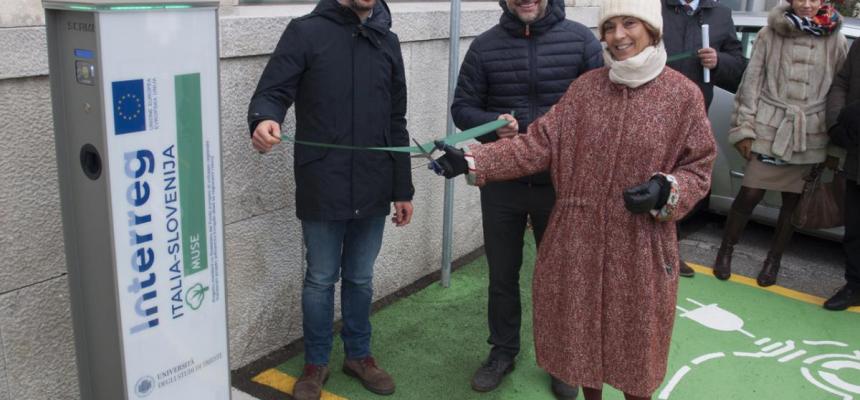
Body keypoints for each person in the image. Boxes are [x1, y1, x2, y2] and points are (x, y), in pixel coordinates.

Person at [433, 0, 716, 398]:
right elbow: (537, 144)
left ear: (652, 29)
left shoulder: (681, 95)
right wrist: (471, 158)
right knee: (582, 346)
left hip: (640, 245)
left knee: (637, 351)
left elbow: (699, 166)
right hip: (579, 239)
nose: (618, 36)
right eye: (610, 26)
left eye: (629, 23)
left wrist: (665, 189)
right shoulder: (587, 89)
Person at [247, 0, 413, 399]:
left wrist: (401, 188)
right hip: (323, 179)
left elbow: (397, 121)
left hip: (374, 183)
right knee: (320, 279)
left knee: (360, 277)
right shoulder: (305, 32)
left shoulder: (386, 40)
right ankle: (315, 362)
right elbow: (273, 91)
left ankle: (359, 355)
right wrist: (264, 119)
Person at [450, 0, 602, 396]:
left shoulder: (582, 40)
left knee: (562, 278)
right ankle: (502, 351)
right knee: (502, 274)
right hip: (503, 183)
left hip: (562, 186)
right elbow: (462, 109)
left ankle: (561, 360)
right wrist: (492, 125)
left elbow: (602, 106)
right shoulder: (484, 46)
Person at [713, 0, 846, 286]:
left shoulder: (836, 38)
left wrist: (833, 144)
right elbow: (752, 82)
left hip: (810, 132)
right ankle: (725, 251)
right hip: (769, 126)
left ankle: (774, 260)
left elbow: (839, 90)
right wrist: (744, 128)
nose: (807, 4)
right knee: (749, 194)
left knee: (792, 203)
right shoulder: (769, 33)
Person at [662, 0, 747, 278]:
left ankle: (670, 249)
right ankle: (646, 250)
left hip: (696, 114)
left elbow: (739, 66)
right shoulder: (656, 7)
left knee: (684, 184)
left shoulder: (720, 14)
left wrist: (719, 61)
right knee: (650, 179)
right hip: (654, 110)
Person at [824, 39, 860, 311]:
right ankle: (854, 286)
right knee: (855, 228)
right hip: (857, 154)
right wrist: (837, 119)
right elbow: (842, 83)